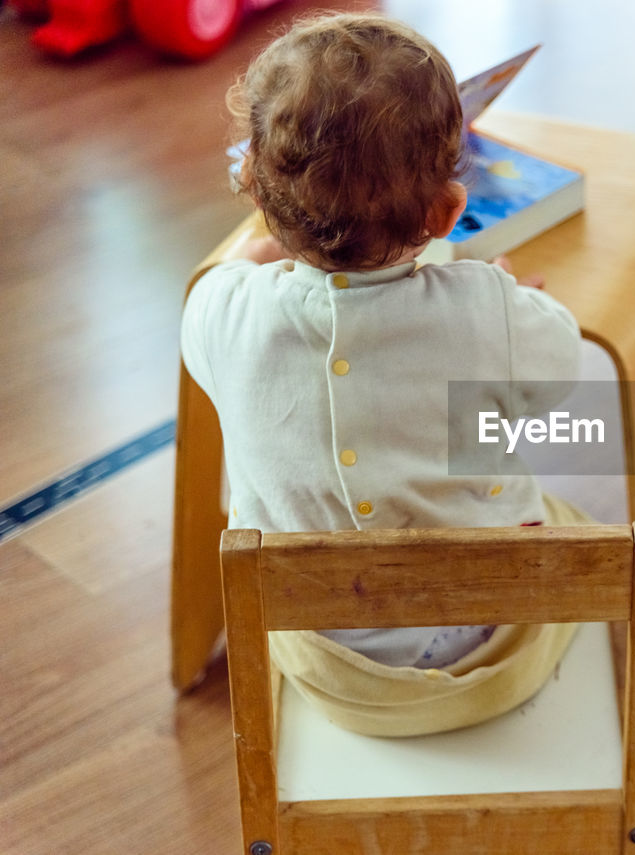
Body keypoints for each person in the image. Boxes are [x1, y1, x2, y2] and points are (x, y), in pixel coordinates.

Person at [181, 12, 586, 735]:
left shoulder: (222, 311)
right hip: (487, 651)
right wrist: (501, 297)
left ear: (258, 202)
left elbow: (224, 278)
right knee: (566, 517)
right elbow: (562, 364)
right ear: (448, 211)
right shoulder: (488, 308)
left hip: (327, 663)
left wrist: (262, 245)